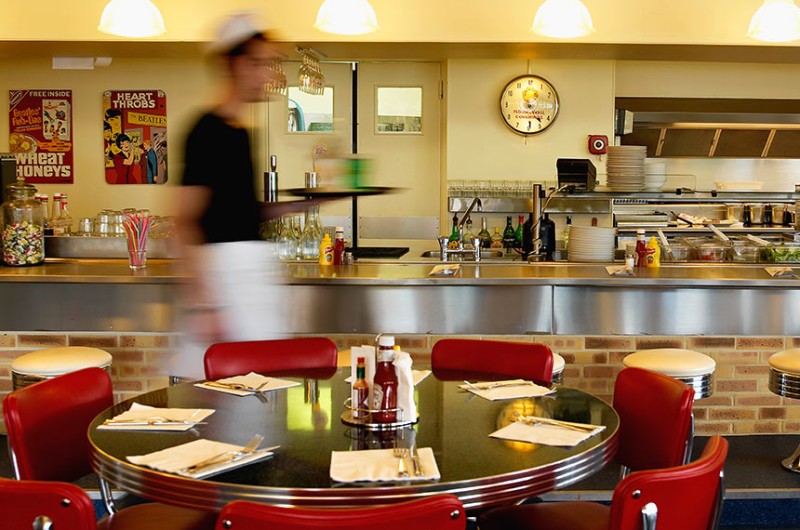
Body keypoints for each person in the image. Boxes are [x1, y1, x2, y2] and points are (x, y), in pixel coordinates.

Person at [172, 12, 288, 383]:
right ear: (233, 64)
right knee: (223, 401)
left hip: (249, 281)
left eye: (270, 64)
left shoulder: (240, 133)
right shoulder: (206, 131)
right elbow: (184, 222)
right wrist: (206, 306)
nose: (267, 74)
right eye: (259, 63)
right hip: (224, 286)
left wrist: (309, 202)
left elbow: (238, 214)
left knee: (257, 395)